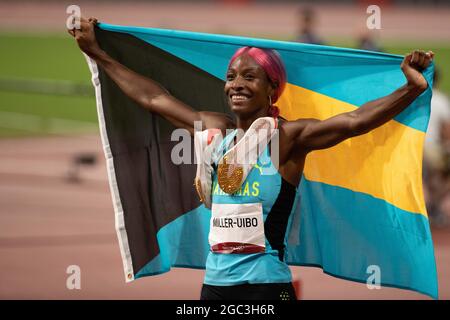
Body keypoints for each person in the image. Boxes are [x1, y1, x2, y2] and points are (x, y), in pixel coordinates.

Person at [69, 17, 434, 300]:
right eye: (230, 77)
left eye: (250, 76)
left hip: (266, 287)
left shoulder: (286, 139)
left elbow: (354, 121)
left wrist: (410, 88)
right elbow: (153, 98)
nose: (236, 83)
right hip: (213, 287)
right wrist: (97, 52)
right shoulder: (216, 132)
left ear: (272, 87)